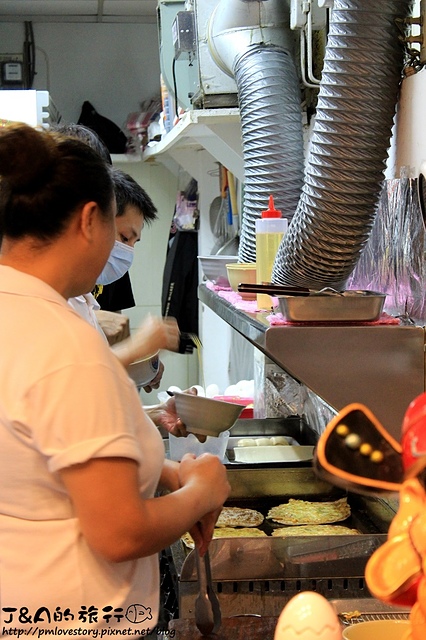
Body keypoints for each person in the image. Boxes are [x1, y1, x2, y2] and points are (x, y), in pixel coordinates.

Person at [0, 123, 230, 634]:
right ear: (89, 219)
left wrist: (166, 476)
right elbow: (120, 533)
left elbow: (44, 461)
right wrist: (202, 491)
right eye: (114, 228)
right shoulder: (63, 342)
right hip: (77, 620)